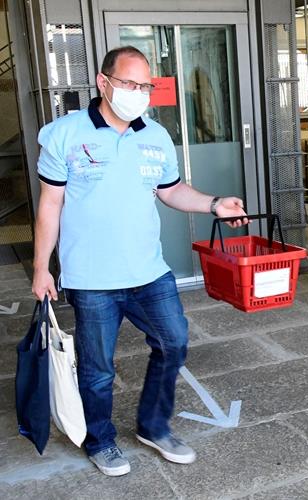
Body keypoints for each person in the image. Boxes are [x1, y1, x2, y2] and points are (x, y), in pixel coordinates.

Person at [31, 46, 247, 476]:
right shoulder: (64, 134)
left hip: (149, 272)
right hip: (91, 279)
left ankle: (152, 426)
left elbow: (171, 190)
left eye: (145, 85)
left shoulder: (156, 136)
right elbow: (49, 206)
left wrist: (215, 203)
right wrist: (41, 267)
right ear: (104, 82)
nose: (138, 92)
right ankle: (101, 441)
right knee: (97, 371)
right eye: (129, 83)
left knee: (174, 342)